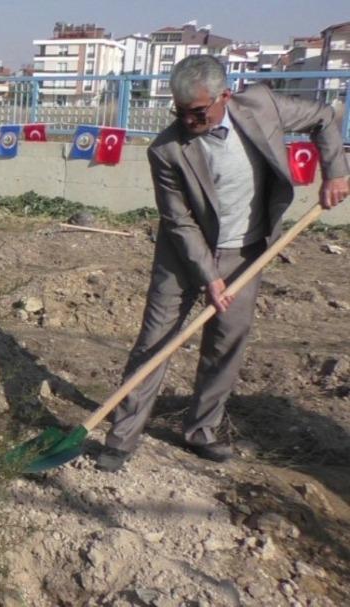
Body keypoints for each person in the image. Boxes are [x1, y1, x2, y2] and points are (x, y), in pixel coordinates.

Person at [96, 55, 349, 472]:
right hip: (183, 252)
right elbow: (178, 220)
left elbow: (323, 116)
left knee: (226, 343)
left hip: (246, 250)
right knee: (155, 342)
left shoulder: (262, 106)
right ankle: (121, 437)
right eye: (179, 111)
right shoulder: (167, 150)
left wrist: (335, 171)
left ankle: (201, 430)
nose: (187, 120)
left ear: (224, 97)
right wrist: (209, 276)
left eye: (196, 111)